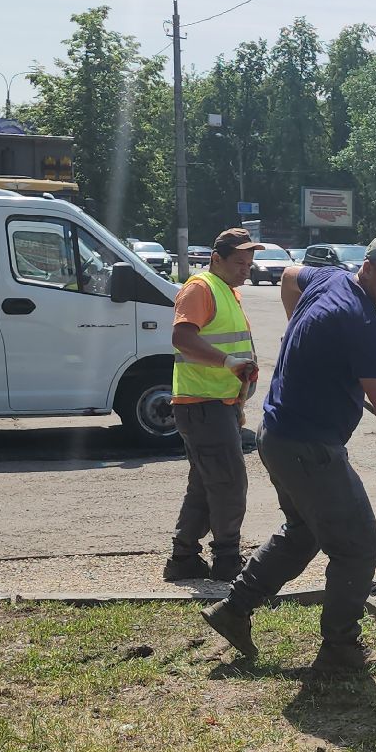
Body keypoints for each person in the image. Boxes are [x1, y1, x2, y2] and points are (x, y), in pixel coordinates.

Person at [200, 233, 376, 669]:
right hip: (308, 447)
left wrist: (303, 341)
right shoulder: (359, 323)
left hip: (279, 436)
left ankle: (233, 610)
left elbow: (289, 277)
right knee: (358, 546)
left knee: (304, 531)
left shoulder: (329, 279)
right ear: (371, 267)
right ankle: (340, 649)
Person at [165, 227, 264, 584]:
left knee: (207, 483)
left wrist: (238, 399)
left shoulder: (226, 290)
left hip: (215, 403)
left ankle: (183, 558)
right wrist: (229, 365)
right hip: (202, 403)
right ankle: (226, 559)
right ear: (216, 258)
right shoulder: (200, 288)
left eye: (249, 263)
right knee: (229, 482)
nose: (246, 269)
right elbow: (181, 337)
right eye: (240, 262)